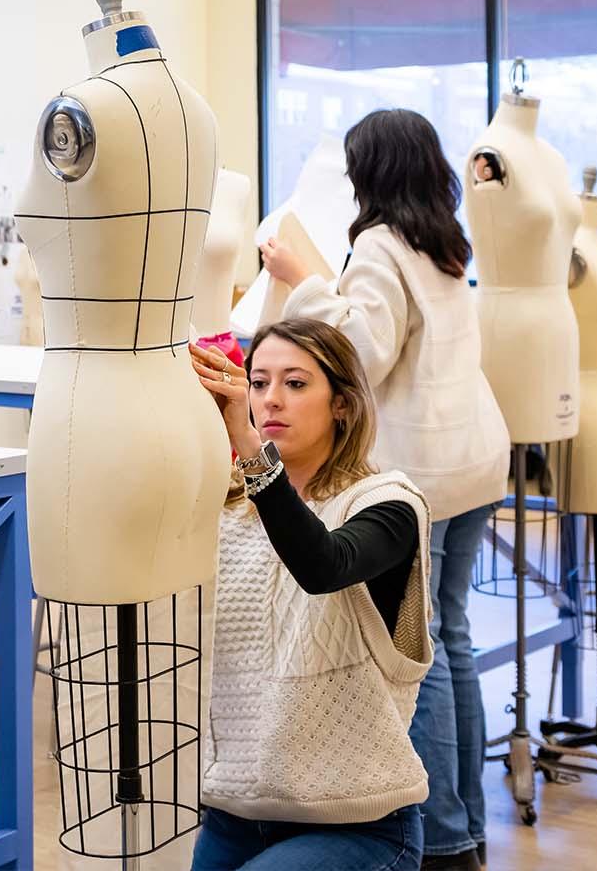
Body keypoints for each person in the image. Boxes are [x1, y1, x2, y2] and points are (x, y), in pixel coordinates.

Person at [260, 108, 510, 871]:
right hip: (475, 458)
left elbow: (361, 354)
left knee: (416, 652)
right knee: (453, 639)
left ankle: (441, 838)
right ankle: (465, 827)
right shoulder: (443, 242)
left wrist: (303, 281)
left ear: (369, 170)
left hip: (428, 472)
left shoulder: (378, 244)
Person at [191, 319, 433, 871]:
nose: (271, 399)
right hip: (232, 812)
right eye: (258, 383)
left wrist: (248, 445)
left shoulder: (389, 505)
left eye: (296, 383)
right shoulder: (223, 509)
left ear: (342, 404)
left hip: (360, 826)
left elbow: (322, 564)